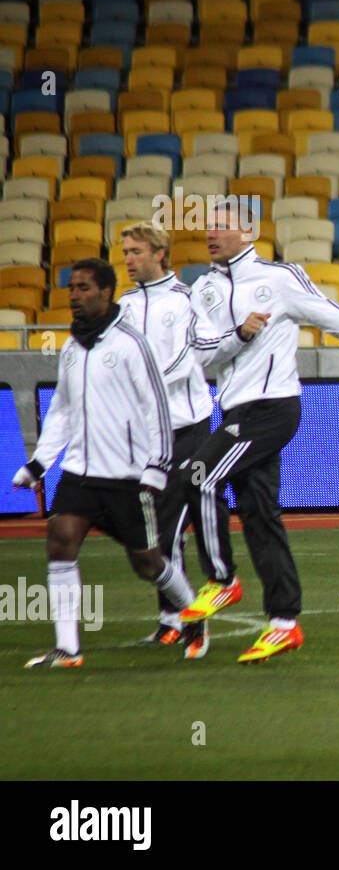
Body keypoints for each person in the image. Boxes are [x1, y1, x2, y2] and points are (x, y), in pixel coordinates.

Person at [184, 204, 339, 662]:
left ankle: (222, 580)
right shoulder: (204, 289)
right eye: (206, 227)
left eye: (220, 225)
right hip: (234, 410)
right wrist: (240, 333)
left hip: (273, 408)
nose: (210, 234)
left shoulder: (279, 278)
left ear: (248, 230)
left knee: (199, 475)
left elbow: (333, 317)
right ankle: (284, 622)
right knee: (259, 512)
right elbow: (201, 356)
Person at [12, 259, 199, 667]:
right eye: (71, 288)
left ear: (106, 292)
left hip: (128, 477)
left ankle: (194, 615)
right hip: (80, 473)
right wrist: (39, 464)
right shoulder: (71, 347)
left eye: (83, 288)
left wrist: (156, 466)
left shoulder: (130, 343)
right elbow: (61, 409)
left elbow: (158, 408)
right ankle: (68, 649)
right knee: (60, 539)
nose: (74, 296)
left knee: (148, 563)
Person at [118, 221, 215, 656]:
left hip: (185, 427)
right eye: (125, 252)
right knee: (153, 528)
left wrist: (143, 382)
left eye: (136, 251)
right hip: (143, 434)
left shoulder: (186, 300)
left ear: (160, 253)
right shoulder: (123, 305)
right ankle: (171, 619)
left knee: (170, 525)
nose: (128, 259)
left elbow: (191, 356)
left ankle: (190, 621)